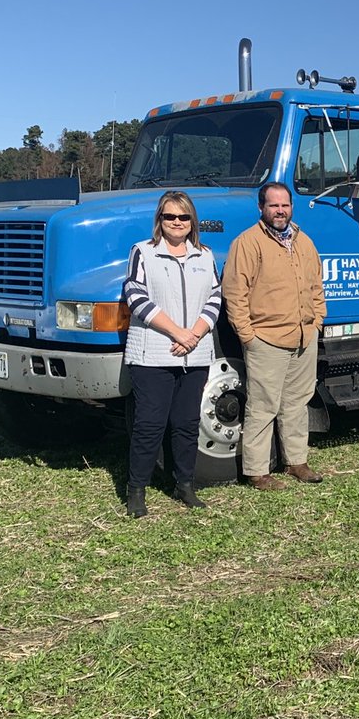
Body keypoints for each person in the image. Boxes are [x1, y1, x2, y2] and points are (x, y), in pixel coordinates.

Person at [221, 182, 327, 490]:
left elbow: (316, 286)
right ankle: (256, 471)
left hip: (303, 337)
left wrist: (317, 320)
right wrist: (248, 335)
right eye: (273, 205)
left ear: (291, 207)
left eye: (285, 205)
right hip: (266, 339)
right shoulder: (248, 243)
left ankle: (296, 461)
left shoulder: (304, 242)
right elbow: (235, 293)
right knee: (263, 405)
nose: (280, 211)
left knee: (297, 401)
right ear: (261, 208)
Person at [123, 191, 222, 517]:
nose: (176, 223)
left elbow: (215, 298)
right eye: (170, 217)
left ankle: (185, 485)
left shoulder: (205, 256)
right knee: (150, 424)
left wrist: (194, 334)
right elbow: (135, 296)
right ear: (160, 220)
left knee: (187, 422)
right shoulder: (143, 253)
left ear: (192, 221)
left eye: (183, 217)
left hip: (194, 354)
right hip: (154, 354)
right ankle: (136, 489)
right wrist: (176, 332)